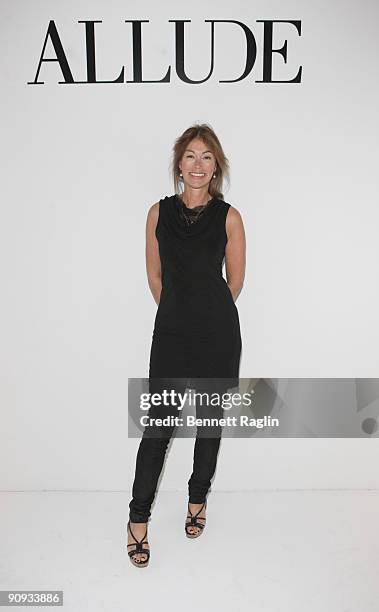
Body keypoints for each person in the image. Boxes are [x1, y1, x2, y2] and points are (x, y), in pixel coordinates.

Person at [127, 123, 246, 567]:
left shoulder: (229, 217)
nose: (198, 165)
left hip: (218, 335)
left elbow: (233, 283)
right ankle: (137, 519)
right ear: (179, 163)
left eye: (207, 157)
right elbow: (155, 277)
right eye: (191, 155)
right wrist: (178, 314)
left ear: (216, 167)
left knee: (208, 425)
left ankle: (198, 499)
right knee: (158, 429)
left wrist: (206, 316)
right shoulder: (157, 213)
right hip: (172, 335)